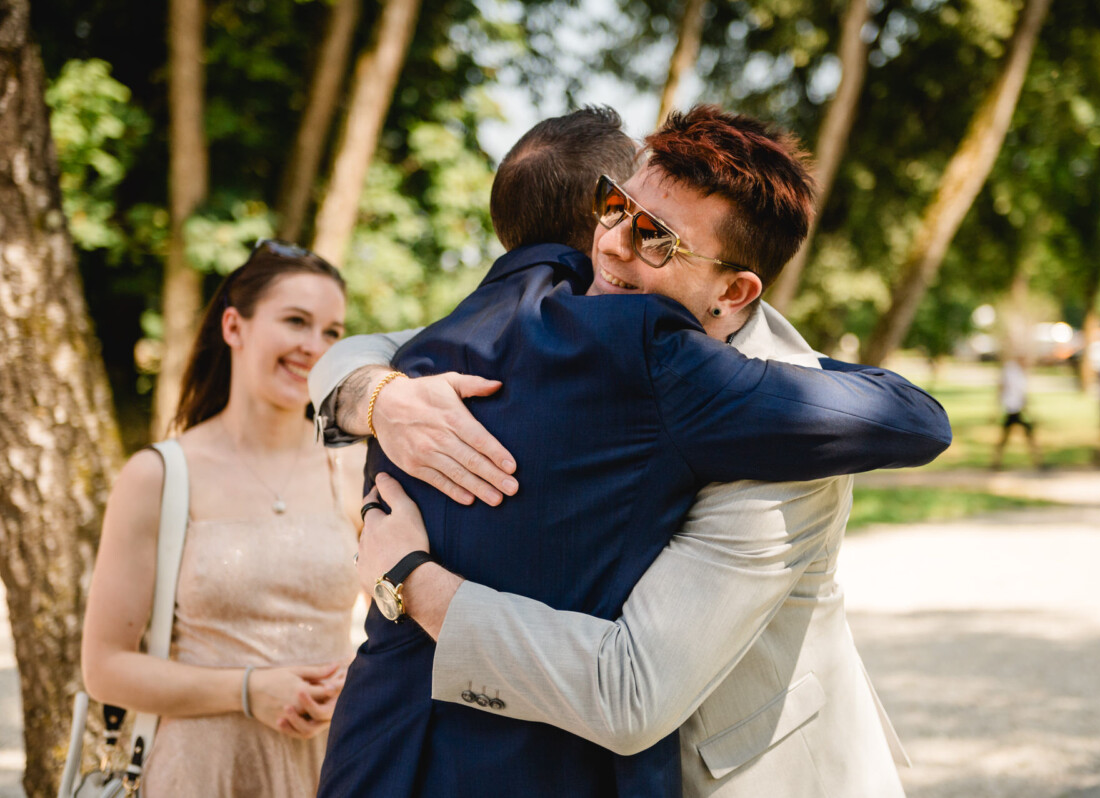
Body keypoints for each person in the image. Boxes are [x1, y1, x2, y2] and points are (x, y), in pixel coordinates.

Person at [315, 106, 951, 798]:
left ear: (734, 290)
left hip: (744, 774)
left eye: (655, 238)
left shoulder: (794, 438)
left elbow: (629, 693)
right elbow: (389, 347)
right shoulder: (579, 304)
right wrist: (378, 397)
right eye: (615, 207)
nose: (612, 244)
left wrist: (407, 580)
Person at [81, 242, 364, 797]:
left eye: (332, 332)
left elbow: (401, 628)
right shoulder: (158, 476)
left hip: (330, 769)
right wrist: (248, 691)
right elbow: (105, 668)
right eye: (296, 321)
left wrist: (355, 680)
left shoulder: (353, 469)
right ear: (234, 326)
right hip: (200, 773)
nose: (315, 346)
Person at [992, 354, 1042, 470]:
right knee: (1009, 437)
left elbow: (1022, 394)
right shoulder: (1012, 371)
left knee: (1026, 436)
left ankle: (1037, 461)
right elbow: (1003, 388)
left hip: (1017, 409)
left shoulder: (1019, 373)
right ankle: (1037, 461)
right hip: (1012, 408)